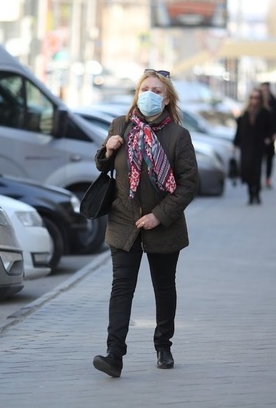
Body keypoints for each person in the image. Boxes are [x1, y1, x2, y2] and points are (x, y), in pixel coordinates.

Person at [92, 68, 199, 378]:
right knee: (121, 288)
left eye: (156, 90)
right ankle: (115, 355)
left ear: (166, 100)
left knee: (163, 288)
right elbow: (103, 165)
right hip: (124, 221)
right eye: (144, 89)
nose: (149, 95)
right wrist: (108, 149)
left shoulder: (178, 135)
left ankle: (163, 345)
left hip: (163, 224)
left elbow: (188, 184)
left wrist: (159, 215)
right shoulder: (120, 126)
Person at [233, 88, 273, 205]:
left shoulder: (265, 112)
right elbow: (239, 130)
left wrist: (267, 139)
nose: (254, 100)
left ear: (261, 99)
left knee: (257, 170)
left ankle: (257, 193)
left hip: (258, 146)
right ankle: (250, 193)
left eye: (257, 97)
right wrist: (235, 143)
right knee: (247, 169)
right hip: (246, 146)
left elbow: (270, 129)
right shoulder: (245, 113)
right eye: (252, 97)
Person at [260, 82, 276, 188]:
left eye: (266, 90)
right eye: (263, 90)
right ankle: (258, 179)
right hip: (259, 137)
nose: (265, 92)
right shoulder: (256, 102)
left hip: (270, 137)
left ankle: (268, 179)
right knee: (259, 160)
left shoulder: (275, 103)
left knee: (269, 159)